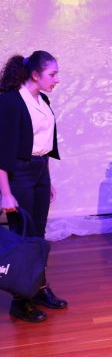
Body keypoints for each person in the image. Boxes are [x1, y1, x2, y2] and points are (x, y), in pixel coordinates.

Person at [0, 51, 68, 322]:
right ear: (36, 75)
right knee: (23, 236)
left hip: (39, 172)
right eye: (52, 74)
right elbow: (2, 151)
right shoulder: (11, 101)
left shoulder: (43, 100)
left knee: (38, 235)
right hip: (19, 174)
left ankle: (38, 288)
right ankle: (20, 301)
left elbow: (44, 143)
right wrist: (6, 193)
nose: (56, 79)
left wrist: (47, 178)